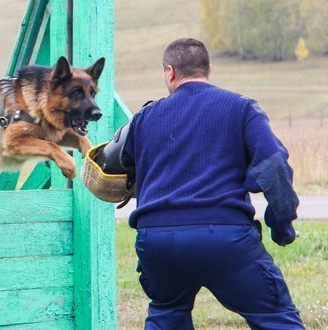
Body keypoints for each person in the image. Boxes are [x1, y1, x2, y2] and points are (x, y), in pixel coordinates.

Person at [118, 38, 305, 329]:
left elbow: (121, 168)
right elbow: (275, 169)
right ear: (209, 69)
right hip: (223, 238)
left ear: (170, 72)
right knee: (276, 318)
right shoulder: (241, 108)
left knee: (167, 314)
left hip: (157, 242)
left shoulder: (143, 118)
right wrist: (281, 225)